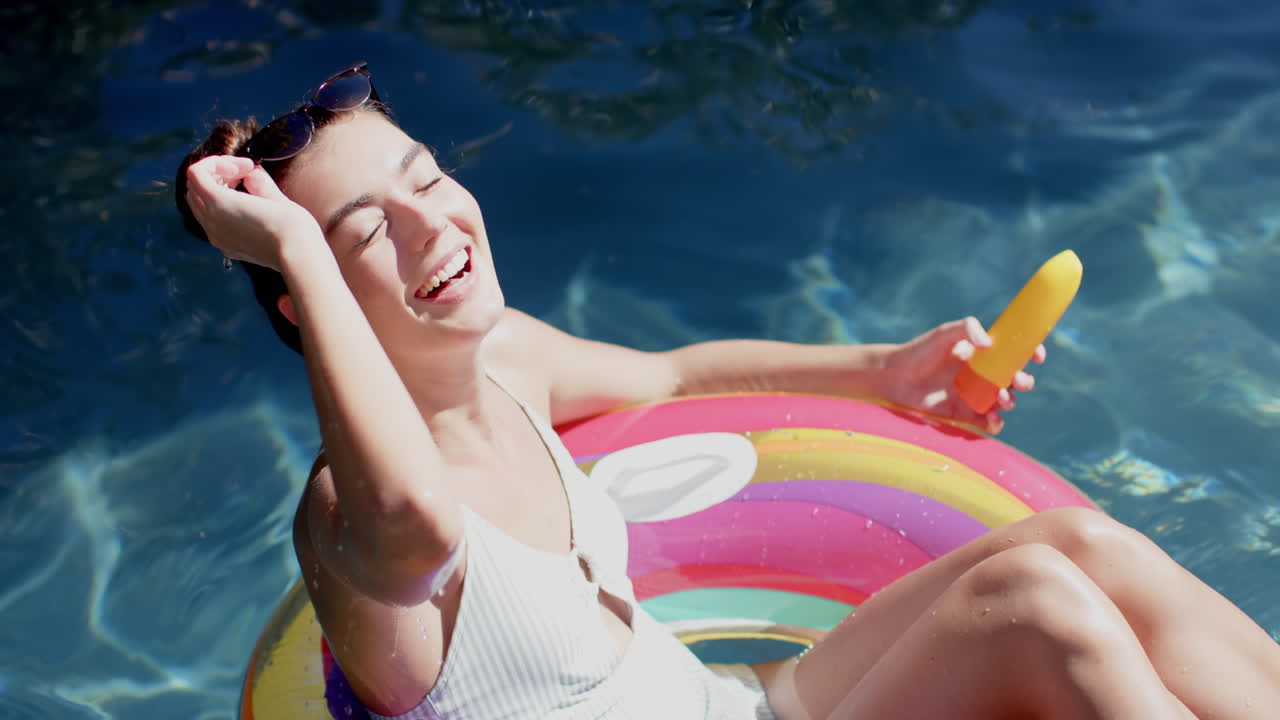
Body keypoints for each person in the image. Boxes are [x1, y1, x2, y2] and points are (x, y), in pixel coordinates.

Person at [177, 63, 1280, 720]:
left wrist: (884, 374)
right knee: (1041, 614)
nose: (432, 225)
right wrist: (288, 243)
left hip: (732, 704)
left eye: (424, 178)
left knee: (1081, 551)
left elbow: (672, 375)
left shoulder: (503, 359)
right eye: (365, 232)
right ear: (302, 303)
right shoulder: (345, 517)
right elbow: (415, 520)